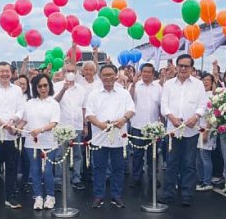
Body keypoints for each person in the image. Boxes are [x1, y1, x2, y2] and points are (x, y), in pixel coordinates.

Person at [159, 54, 207, 207]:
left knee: (188, 163)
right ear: (176, 66)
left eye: (187, 66)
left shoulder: (198, 84)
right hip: (173, 131)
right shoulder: (169, 84)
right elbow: (163, 104)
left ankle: (187, 194)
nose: (183, 68)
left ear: (192, 68)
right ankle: (168, 193)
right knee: (171, 162)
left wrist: (196, 116)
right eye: (181, 65)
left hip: (190, 131)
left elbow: (202, 104)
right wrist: (170, 116)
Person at [85, 64, 135, 208]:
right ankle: (99, 195)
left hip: (119, 137)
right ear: (100, 77)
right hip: (100, 137)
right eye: (105, 75)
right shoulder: (94, 94)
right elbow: (89, 114)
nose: (108, 77)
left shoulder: (123, 93)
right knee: (99, 167)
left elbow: (131, 109)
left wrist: (123, 120)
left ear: (115, 76)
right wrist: (101, 125)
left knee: (118, 167)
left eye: (110, 74)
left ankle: (116, 195)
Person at [0, 62, 25, 211]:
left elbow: (21, 109)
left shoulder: (17, 90)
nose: (5, 74)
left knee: (12, 168)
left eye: (7, 71)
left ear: (11, 73)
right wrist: (5, 124)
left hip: (12, 137)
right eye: (1, 71)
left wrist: (13, 120)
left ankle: (10, 197)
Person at [18, 74, 60, 210]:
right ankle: (38, 197)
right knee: (34, 170)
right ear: (35, 88)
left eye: (45, 85)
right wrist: (15, 129)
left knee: (47, 171)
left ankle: (50, 196)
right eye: (40, 86)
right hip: (31, 144)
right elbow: (24, 121)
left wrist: (40, 130)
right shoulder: (29, 103)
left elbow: (54, 123)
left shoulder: (53, 104)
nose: (43, 88)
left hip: (49, 144)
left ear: (49, 86)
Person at [128, 63, 162, 189]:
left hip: (154, 127)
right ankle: (136, 178)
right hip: (138, 125)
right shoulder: (135, 85)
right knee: (137, 154)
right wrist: (133, 84)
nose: (146, 74)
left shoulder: (158, 87)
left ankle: (153, 178)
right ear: (140, 73)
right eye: (144, 71)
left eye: (149, 72)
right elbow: (129, 99)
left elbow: (161, 105)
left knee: (153, 155)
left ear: (153, 74)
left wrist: (162, 123)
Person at [54, 62, 87, 190]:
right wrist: (64, 89)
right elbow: (53, 102)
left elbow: (84, 108)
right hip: (61, 126)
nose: (70, 73)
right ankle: (58, 179)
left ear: (77, 73)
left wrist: (84, 125)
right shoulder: (56, 86)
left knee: (78, 154)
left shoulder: (81, 89)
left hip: (77, 125)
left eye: (73, 71)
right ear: (63, 72)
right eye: (68, 71)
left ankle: (76, 178)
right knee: (59, 154)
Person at [196, 73, 217, 191]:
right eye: (204, 79)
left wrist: (207, 131)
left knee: (205, 156)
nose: (206, 82)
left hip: (207, 128)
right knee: (198, 156)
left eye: (209, 80)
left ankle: (207, 181)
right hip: (197, 128)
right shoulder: (200, 94)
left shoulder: (212, 96)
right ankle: (201, 179)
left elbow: (211, 115)